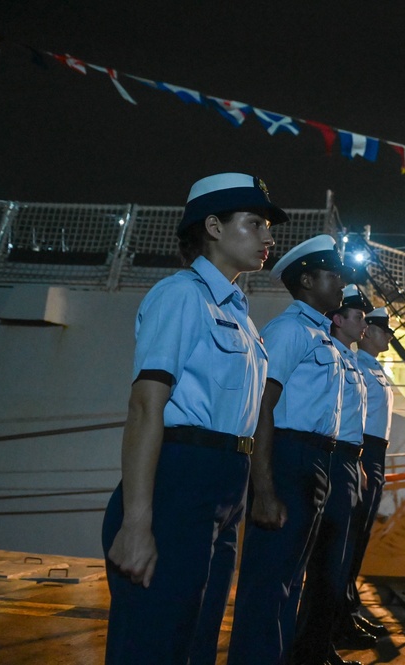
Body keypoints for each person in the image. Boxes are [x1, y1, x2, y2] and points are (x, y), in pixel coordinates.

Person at [100, 172, 284, 664]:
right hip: (180, 481)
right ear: (214, 227)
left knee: (193, 642)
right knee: (153, 642)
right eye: (255, 223)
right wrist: (138, 523)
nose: (269, 237)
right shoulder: (181, 295)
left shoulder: (240, 314)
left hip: (224, 490)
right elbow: (145, 405)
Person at [227, 234, 349, 665]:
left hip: (315, 460)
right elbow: (263, 405)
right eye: (332, 275)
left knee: (291, 581)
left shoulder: (321, 335)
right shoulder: (289, 331)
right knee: (268, 582)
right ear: (307, 280)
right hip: (288, 457)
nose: (340, 283)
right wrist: (263, 489)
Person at [292, 284, 370, 665]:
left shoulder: (349, 359)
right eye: (358, 317)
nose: (364, 325)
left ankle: (319, 647)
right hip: (330, 459)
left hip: (347, 462)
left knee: (335, 563)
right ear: (337, 319)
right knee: (323, 564)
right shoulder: (326, 352)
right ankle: (308, 649)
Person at [336, 306, 396, 642]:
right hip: (363, 453)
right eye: (383, 329)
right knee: (349, 539)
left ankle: (348, 610)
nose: (388, 336)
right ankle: (340, 617)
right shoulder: (357, 364)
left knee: (359, 539)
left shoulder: (375, 368)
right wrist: (359, 458)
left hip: (376, 455)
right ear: (368, 331)